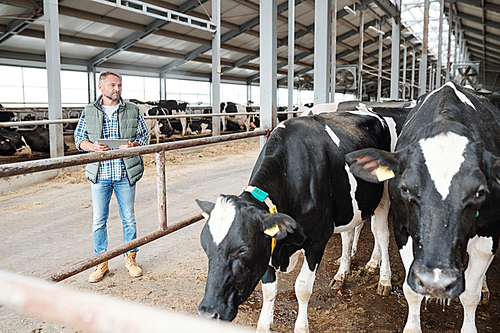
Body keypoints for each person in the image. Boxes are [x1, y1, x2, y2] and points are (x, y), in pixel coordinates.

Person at [74, 70, 149, 283]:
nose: (116, 89)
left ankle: (131, 259)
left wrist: (133, 145)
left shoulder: (133, 110)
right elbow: (79, 138)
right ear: (101, 87)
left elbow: (144, 136)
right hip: (100, 174)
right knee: (99, 220)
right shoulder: (89, 111)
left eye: (119, 85)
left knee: (129, 218)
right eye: (112, 85)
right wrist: (92, 146)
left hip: (125, 172)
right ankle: (102, 262)